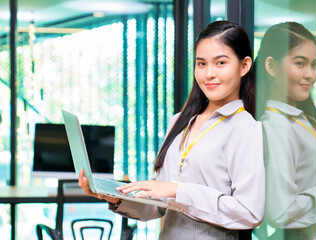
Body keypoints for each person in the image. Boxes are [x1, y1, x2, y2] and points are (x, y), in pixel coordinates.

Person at [79, 20, 265, 239]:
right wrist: (116, 197)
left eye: (220, 63)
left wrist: (177, 190)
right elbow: (159, 205)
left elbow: (249, 212)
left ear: (244, 66)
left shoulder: (245, 128)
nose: (208, 74)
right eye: (201, 64)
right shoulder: (179, 121)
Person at [254, 22, 316, 240]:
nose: (310, 74)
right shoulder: (275, 127)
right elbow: (280, 211)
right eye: (300, 63)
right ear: (271, 67)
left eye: (314, 65)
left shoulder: (305, 118)